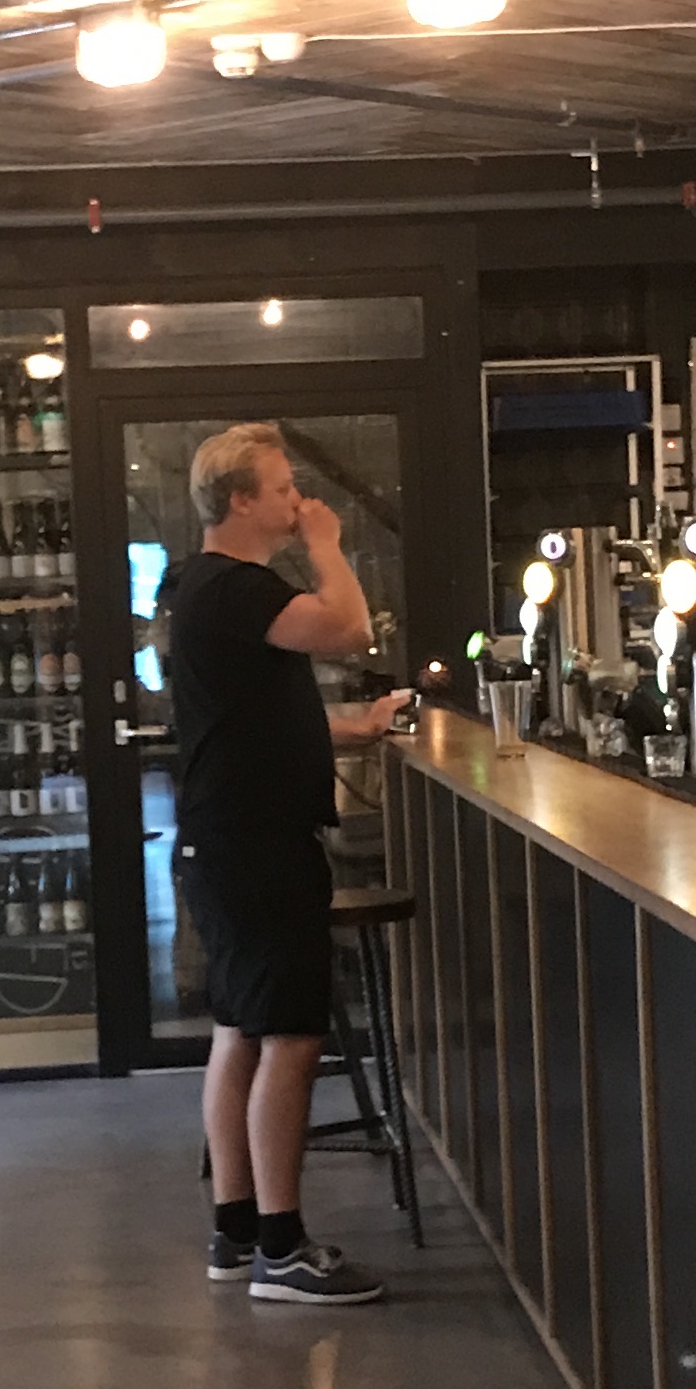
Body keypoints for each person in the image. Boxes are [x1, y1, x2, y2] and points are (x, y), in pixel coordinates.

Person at [169, 424, 408, 1308]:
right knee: (291, 1038)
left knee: (239, 1030)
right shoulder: (238, 586)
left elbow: (250, 718)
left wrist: (352, 726)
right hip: (258, 845)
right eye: (281, 487)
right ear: (240, 500)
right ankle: (283, 1249)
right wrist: (327, 545)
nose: (298, 499)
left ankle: (236, 1233)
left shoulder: (200, 587)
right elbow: (347, 627)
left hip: (225, 840)